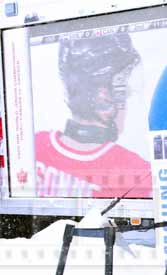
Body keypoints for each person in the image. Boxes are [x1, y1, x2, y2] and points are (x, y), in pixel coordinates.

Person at [34, 33, 151, 199]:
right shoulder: (136, 171)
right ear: (104, 99)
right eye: (125, 91)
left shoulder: (33, 147)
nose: (129, 98)